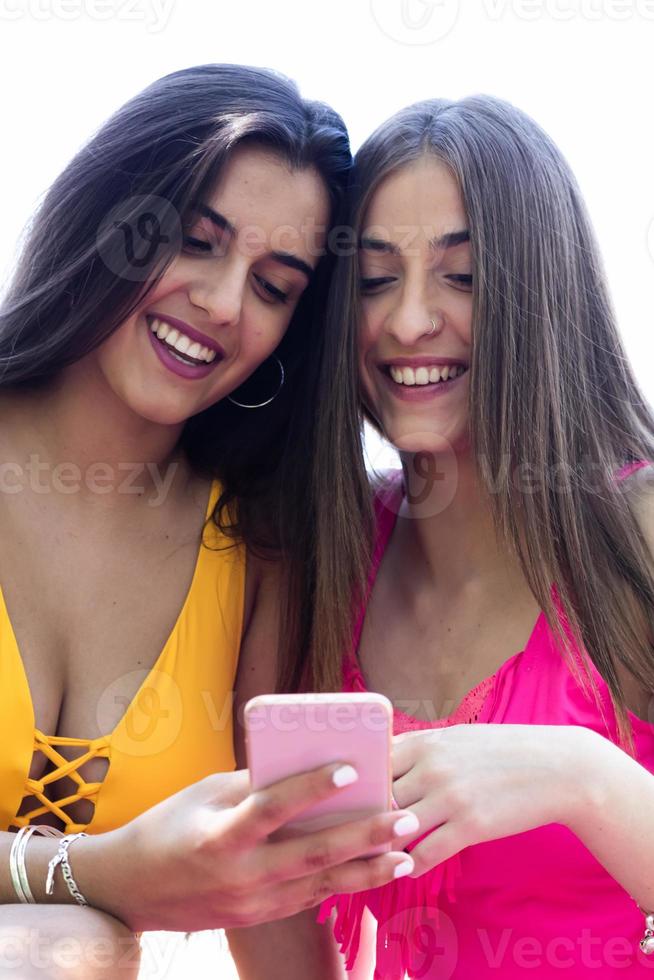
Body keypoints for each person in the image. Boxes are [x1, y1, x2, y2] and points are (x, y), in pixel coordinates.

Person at [0, 64, 418, 979]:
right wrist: (102, 873)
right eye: (196, 242)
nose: (224, 304)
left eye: (274, 287)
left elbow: (270, 912)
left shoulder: (258, 542)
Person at [234, 96, 654, 978]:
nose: (409, 321)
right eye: (377, 280)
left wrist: (587, 779)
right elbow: (265, 897)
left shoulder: (640, 531)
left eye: (462, 277)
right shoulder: (311, 555)